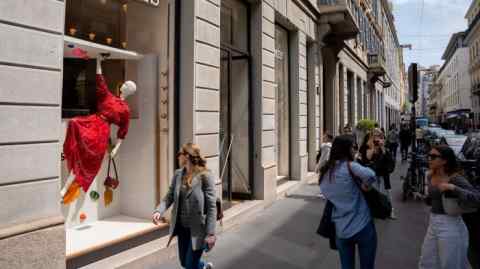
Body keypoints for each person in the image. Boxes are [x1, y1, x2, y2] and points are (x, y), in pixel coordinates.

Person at [153, 143, 216, 269]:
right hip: (182, 227)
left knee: (189, 265)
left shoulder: (205, 176)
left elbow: (211, 206)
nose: (177, 157)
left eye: (179, 154)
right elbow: (170, 196)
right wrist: (159, 210)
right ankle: (204, 267)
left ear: (187, 156)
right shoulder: (178, 174)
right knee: (184, 262)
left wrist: (210, 233)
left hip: (198, 228)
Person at [319, 135, 378, 269]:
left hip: (341, 229)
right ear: (347, 149)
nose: (355, 150)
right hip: (362, 225)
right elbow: (371, 175)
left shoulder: (326, 173)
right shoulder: (351, 166)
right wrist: (365, 185)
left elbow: (326, 193)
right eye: (353, 147)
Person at [419, 145, 480, 269]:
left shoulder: (455, 178)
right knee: (427, 262)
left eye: (433, 156)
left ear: (444, 160)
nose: (429, 159)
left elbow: (476, 197)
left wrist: (453, 188)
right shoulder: (430, 175)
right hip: (433, 223)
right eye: (429, 156)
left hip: (450, 225)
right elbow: (431, 199)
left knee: (450, 264)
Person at [358, 129, 396, 219]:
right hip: (374, 172)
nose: (377, 138)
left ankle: (391, 210)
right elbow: (367, 158)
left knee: (387, 191)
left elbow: (387, 157)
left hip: (384, 171)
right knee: (376, 191)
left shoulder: (382, 144)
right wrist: (372, 147)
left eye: (378, 135)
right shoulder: (368, 146)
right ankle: (378, 210)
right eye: (375, 135)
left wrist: (382, 147)